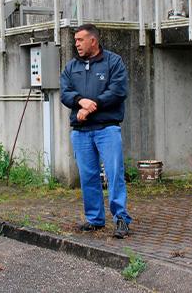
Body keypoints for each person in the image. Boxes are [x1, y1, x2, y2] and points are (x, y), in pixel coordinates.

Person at [60, 24, 131, 239]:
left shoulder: (113, 62)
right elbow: (65, 92)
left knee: (114, 174)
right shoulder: (71, 67)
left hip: (107, 129)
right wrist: (80, 101)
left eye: (80, 40)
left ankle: (121, 218)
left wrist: (93, 105)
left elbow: (118, 90)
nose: (76, 44)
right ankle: (95, 219)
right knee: (88, 176)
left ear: (93, 41)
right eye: (75, 41)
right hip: (81, 131)